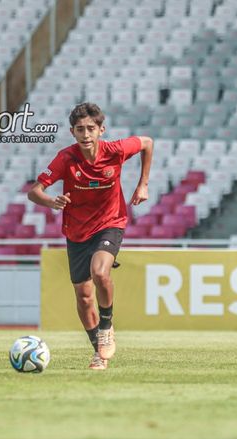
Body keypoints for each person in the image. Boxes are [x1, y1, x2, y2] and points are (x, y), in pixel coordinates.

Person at [28, 102, 154, 370]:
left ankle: (107, 327)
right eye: (80, 129)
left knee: (100, 272)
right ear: (72, 132)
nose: (85, 134)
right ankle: (99, 351)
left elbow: (147, 142)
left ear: (101, 130)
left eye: (90, 129)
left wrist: (143, 184)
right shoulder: (66, 158)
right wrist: (52, 201)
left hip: (110, 222)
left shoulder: (116, 150)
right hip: (76, 231)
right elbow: (34, 191)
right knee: (84, 298)